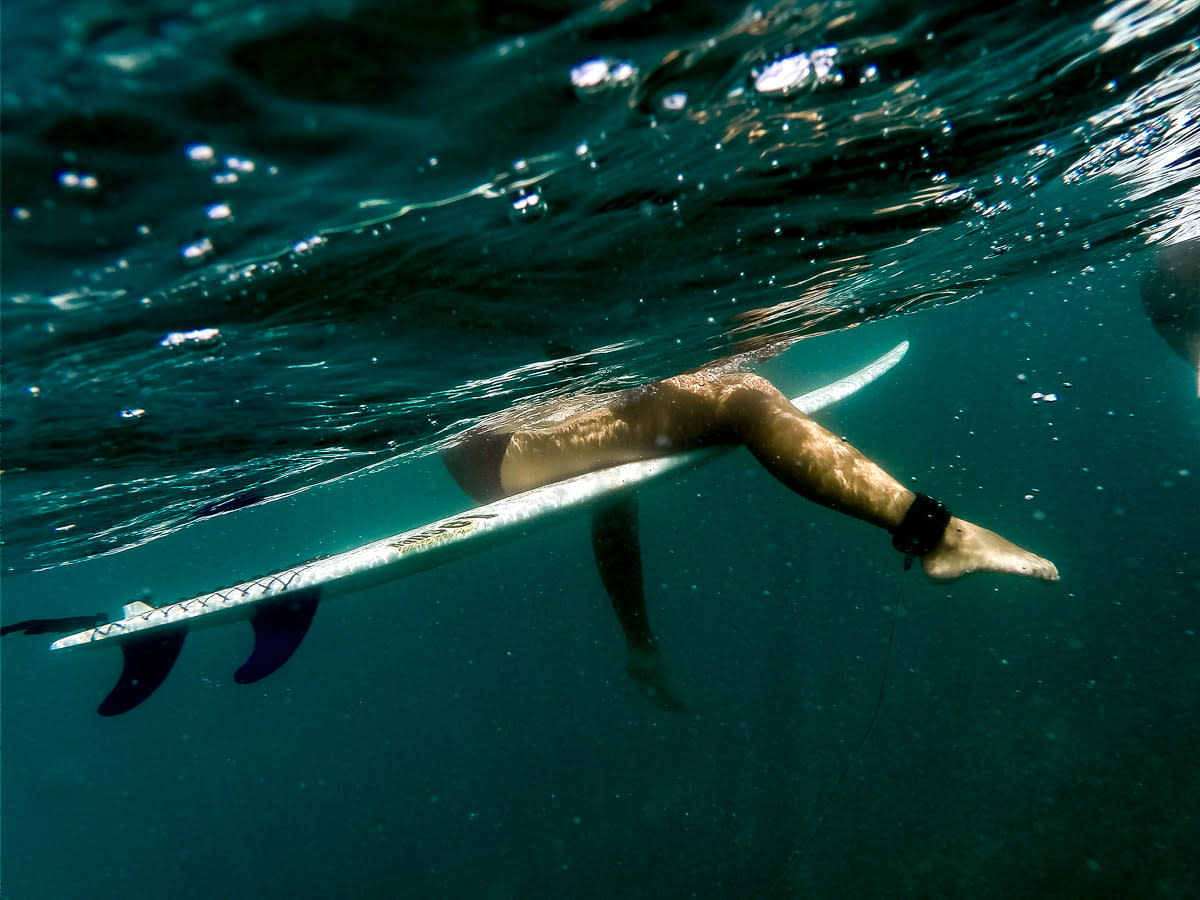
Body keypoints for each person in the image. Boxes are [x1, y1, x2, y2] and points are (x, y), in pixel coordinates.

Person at [442, 362, 1058, 710]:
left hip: (498, 436)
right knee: (741, 395)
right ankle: (939, 535)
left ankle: (640, 646)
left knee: (615, 483)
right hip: (497, 443)